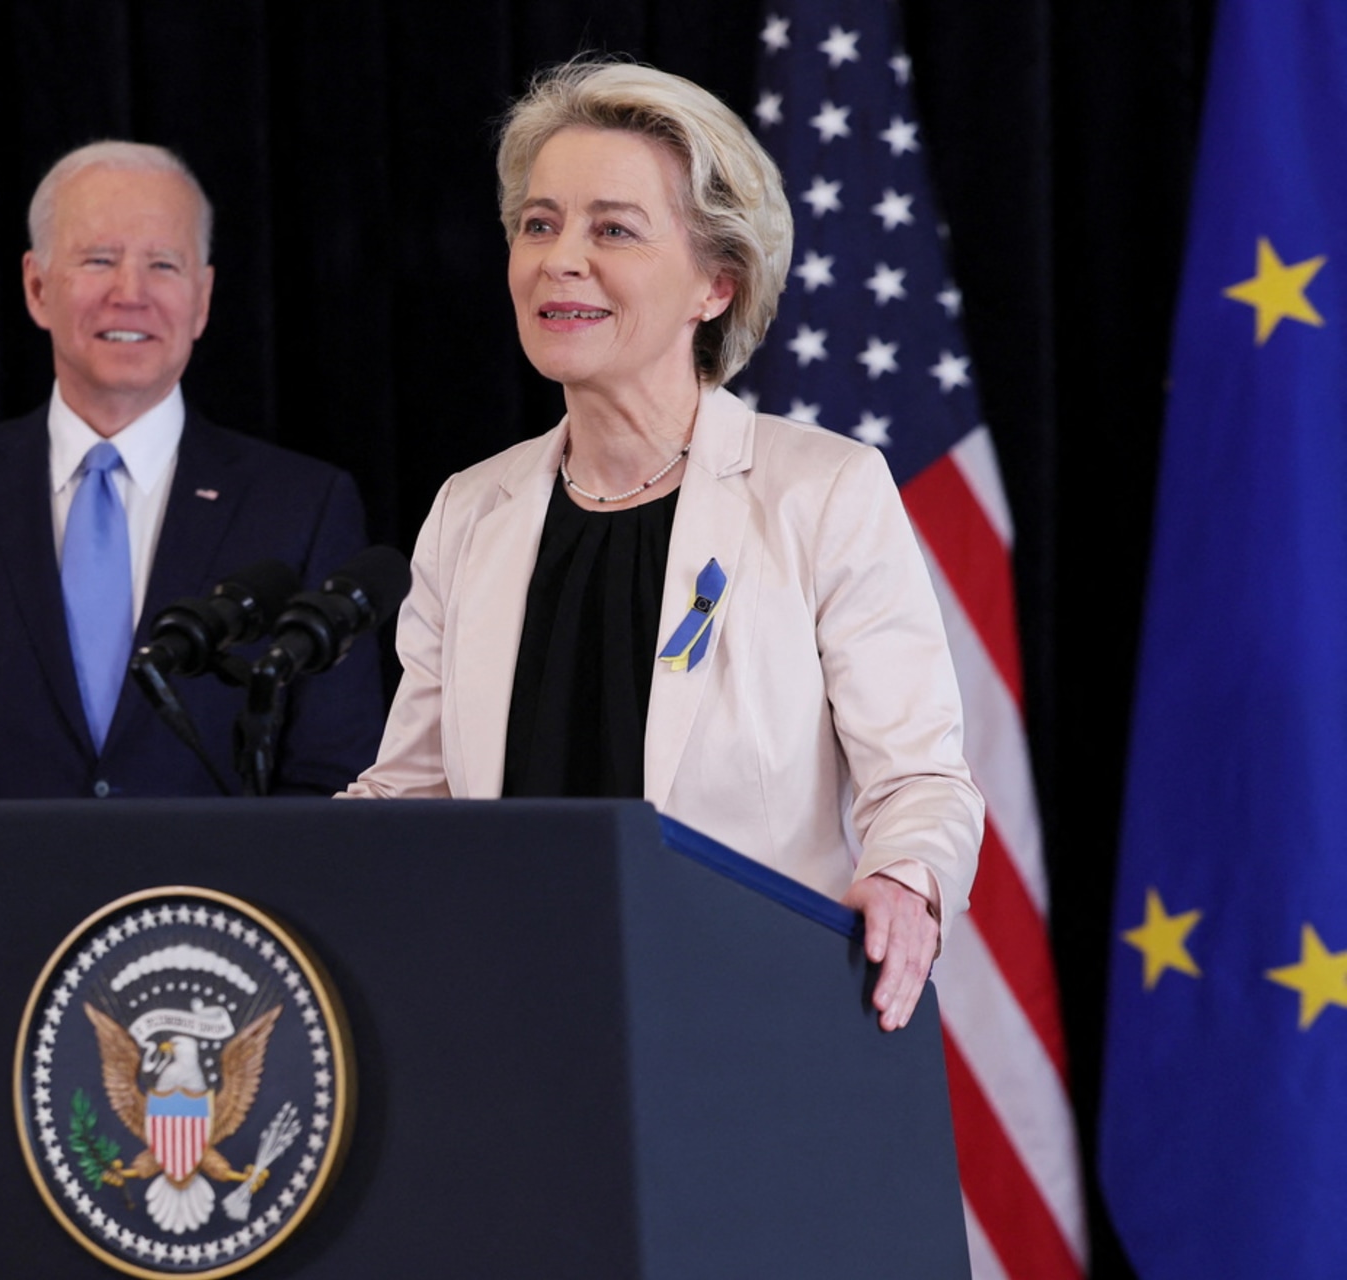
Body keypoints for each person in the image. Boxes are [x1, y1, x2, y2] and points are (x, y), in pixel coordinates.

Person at [345, 61, 981, 1031]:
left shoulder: (821, 492)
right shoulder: (471, 510)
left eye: (612, 229)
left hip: (742, 1024)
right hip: (508, 1020)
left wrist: (904, 879)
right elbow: (415, 792)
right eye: (539, 224)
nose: (560, 259)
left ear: (716, 284)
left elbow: (920, 779)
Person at [0, 141, 382, 804]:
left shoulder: (303, 506)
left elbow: (333, 784)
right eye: (98, 260)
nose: (131, 294)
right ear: (37, 287)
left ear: (202, 298)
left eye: (163, 264)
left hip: (215, 879)